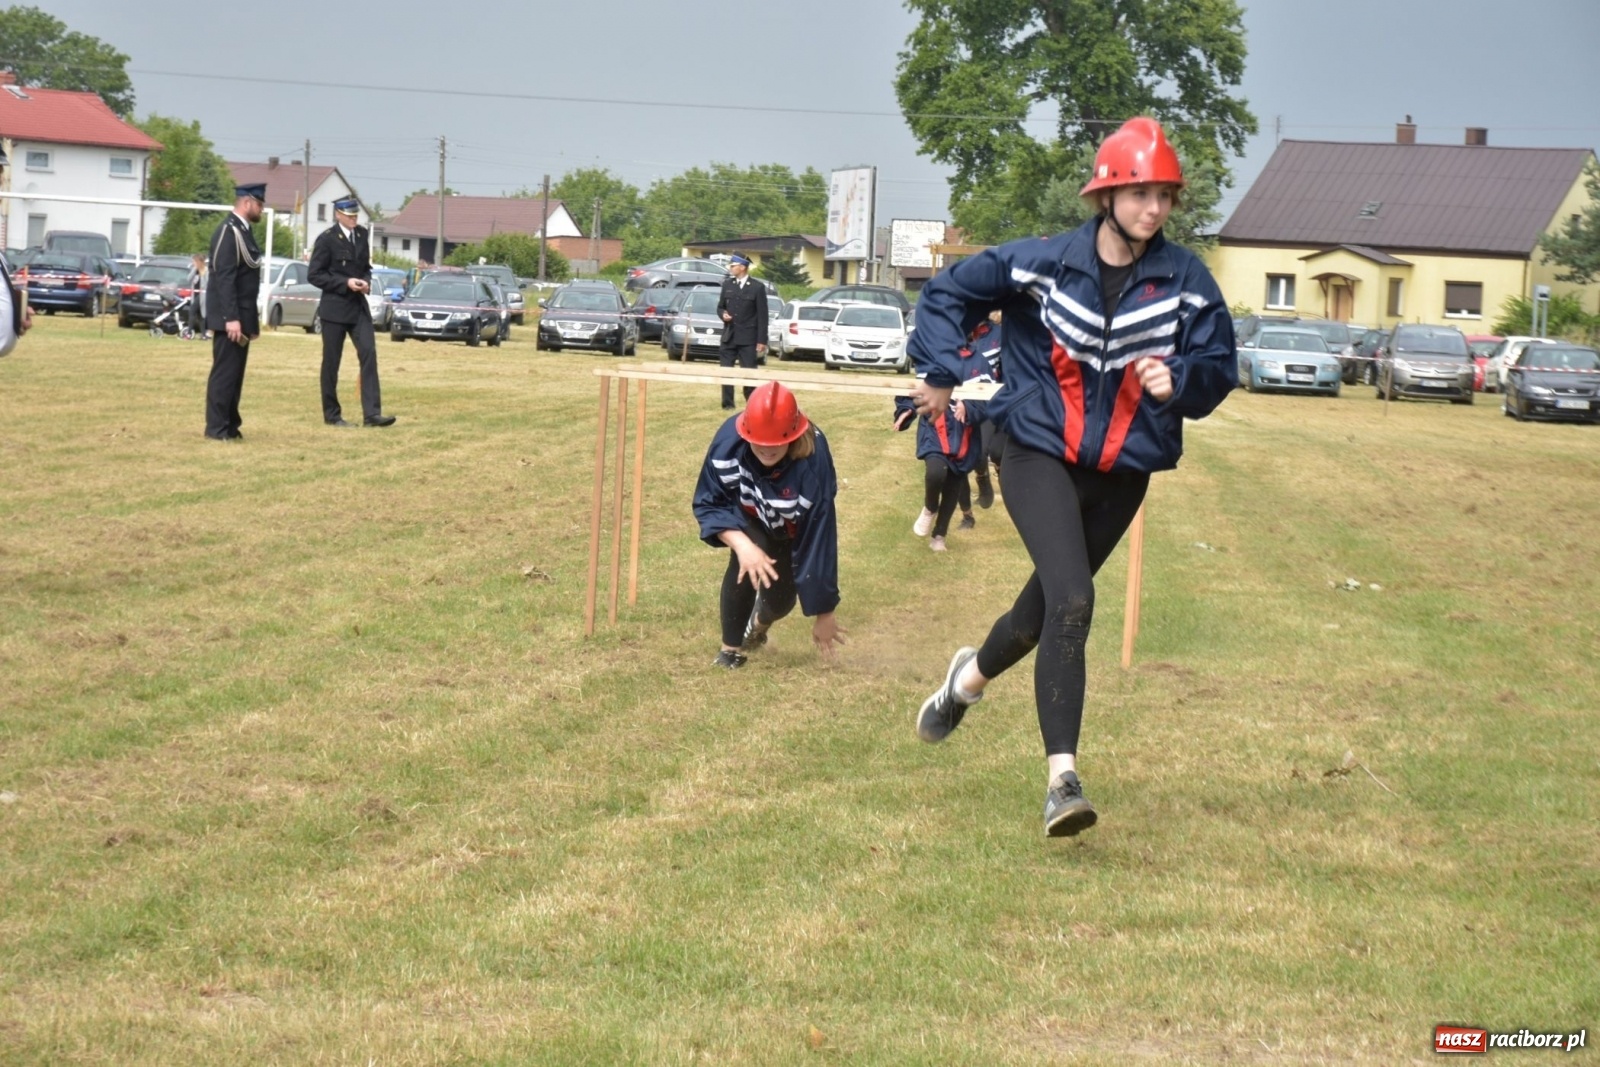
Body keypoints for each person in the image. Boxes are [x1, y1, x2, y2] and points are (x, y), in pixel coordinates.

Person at [906, 117, 1237, 837]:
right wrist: (943, 369)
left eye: (1166, 196)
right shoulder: (1042, 262)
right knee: (1076, 600)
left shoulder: (1188, 281)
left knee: (1041, 614)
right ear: (1108, 194)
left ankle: (964, 684)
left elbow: (1219, 370)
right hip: (1035, 452)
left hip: (1123, 474)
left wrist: (1176, 377)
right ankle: (1063, 780)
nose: (1155, 208)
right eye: (1141, 192)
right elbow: (945, 296)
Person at [692, 381, 846, 668]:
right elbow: (709, 501)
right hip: (749, 516)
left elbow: (819, 535)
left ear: (794, 434)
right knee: (746, 560)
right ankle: (730, 650)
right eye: (759, 441)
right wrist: (742, 544)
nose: (766, 449)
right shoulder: (727, 444)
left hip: (792, 527)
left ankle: (759, 625)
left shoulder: (813, 462)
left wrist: (824, 613)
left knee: (781, 600)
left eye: (775, 443)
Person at [894, 341, 990, 551]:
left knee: (953, 484)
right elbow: (914, 392)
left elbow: (989, 399)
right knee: (935, 473)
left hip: (965, 434)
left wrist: (969, 405)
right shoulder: (930, 356)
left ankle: (939, 536)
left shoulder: (979, 362)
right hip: (934, 428)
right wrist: (906, 411)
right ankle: (930, 508)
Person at [309, 196, 394, 427]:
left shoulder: (363, 235)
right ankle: (332, 415)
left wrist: (365, 281)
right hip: (334, 308)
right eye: (349, 215)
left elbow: (365, 267)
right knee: (331, 363)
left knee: (369, 354)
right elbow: (315, 275)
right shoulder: (326, 240)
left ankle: (372, 414)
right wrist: (344, 283)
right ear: (338, 215)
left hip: (357, 308)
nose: (354, 218)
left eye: (356, 215)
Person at [204, 183, 266, 440]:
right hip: (229, 318)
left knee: (235, 376)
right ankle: (216, 428)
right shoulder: (228, 232)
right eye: (259, 204)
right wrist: (231, 319)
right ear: (246, 202)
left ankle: (230, 424)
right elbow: (225, 279)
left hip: (242, 317)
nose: (261, 209)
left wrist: (250, 323)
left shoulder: (244, 231)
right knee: (224, 374)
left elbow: (247, 281)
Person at [715, 254, 768, 410]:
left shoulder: (757, 287)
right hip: (729, 336)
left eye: (733, 265)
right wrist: (722, 314)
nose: (730, 268)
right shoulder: (727, 285)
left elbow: (762, 315)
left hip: (748, 338)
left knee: (749, 374)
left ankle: (752, 405)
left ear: (742, 267)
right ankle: (727, 404)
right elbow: (720, 306)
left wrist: (761, 340)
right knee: (726, 372)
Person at [185, 253, 208, 339]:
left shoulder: (206, 270)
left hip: (203, 295)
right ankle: (203, 335)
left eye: (195, 261)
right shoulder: (194, 270)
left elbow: (208, 283)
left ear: (199, 262)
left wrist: (202, 273)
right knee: (199, 315)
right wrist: (195, 269)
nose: (193, 263)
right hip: (195, 294)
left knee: (192, 311)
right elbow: (188, 279)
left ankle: (189, 333)